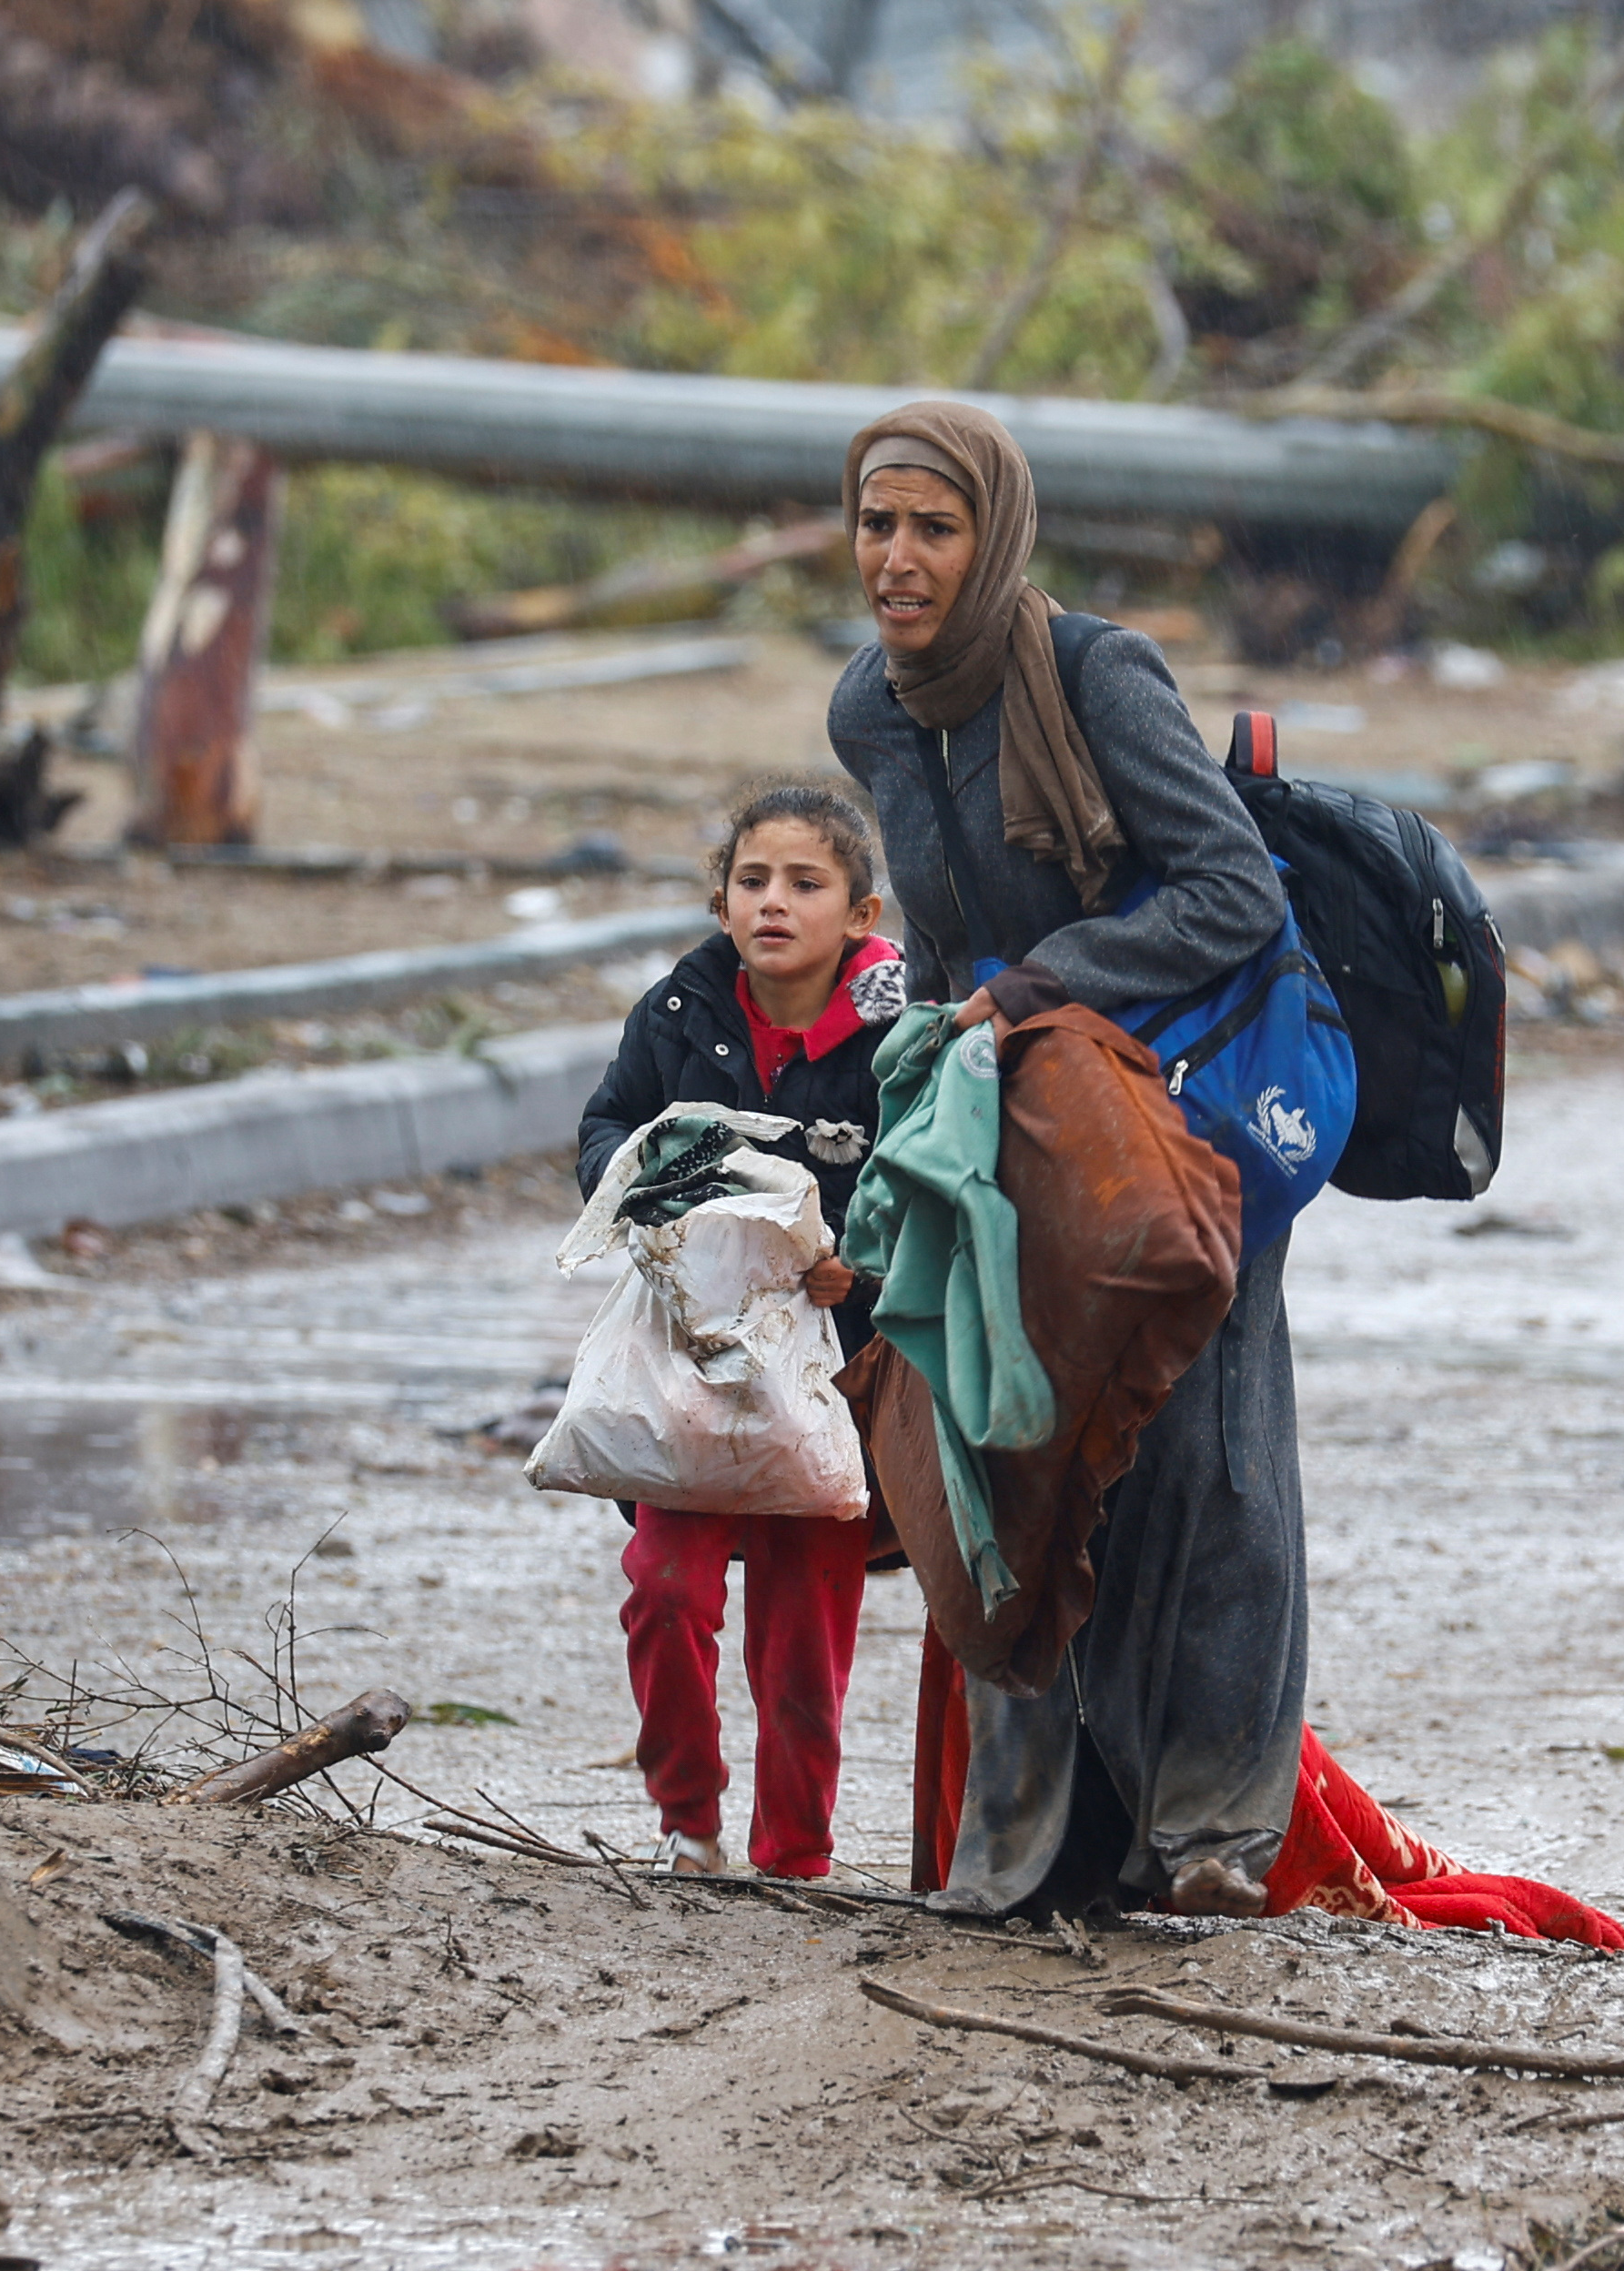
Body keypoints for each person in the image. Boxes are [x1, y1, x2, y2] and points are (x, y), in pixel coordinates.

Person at [824, 399, 1303, 1920]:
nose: (898, 559)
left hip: (1178, 1112)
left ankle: (1213, 1830)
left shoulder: (1099, 676)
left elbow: (1232, 892)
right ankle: (1033, 1843)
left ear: (997, 538)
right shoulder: (869, 712)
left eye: (935, 527)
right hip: (1011, 1122)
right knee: (1008, 1447)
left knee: (1204, 1459)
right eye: (876, 525)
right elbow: (942, 934)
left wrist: (1046, 981)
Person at [574, 784, 904, 1877]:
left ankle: (795, 1853)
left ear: (859, 914)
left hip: (832, 1378)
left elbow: (929, 1172)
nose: (775, 902)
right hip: (693, 1361)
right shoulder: (677, 1013)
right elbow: (609, 1124)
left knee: (803, 1632)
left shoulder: (899, 1035)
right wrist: (640, 1184)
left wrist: (862, 1259)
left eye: (806, 883)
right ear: (720, 903)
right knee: (664, 1587)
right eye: (752, 880)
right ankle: (689, 1822)